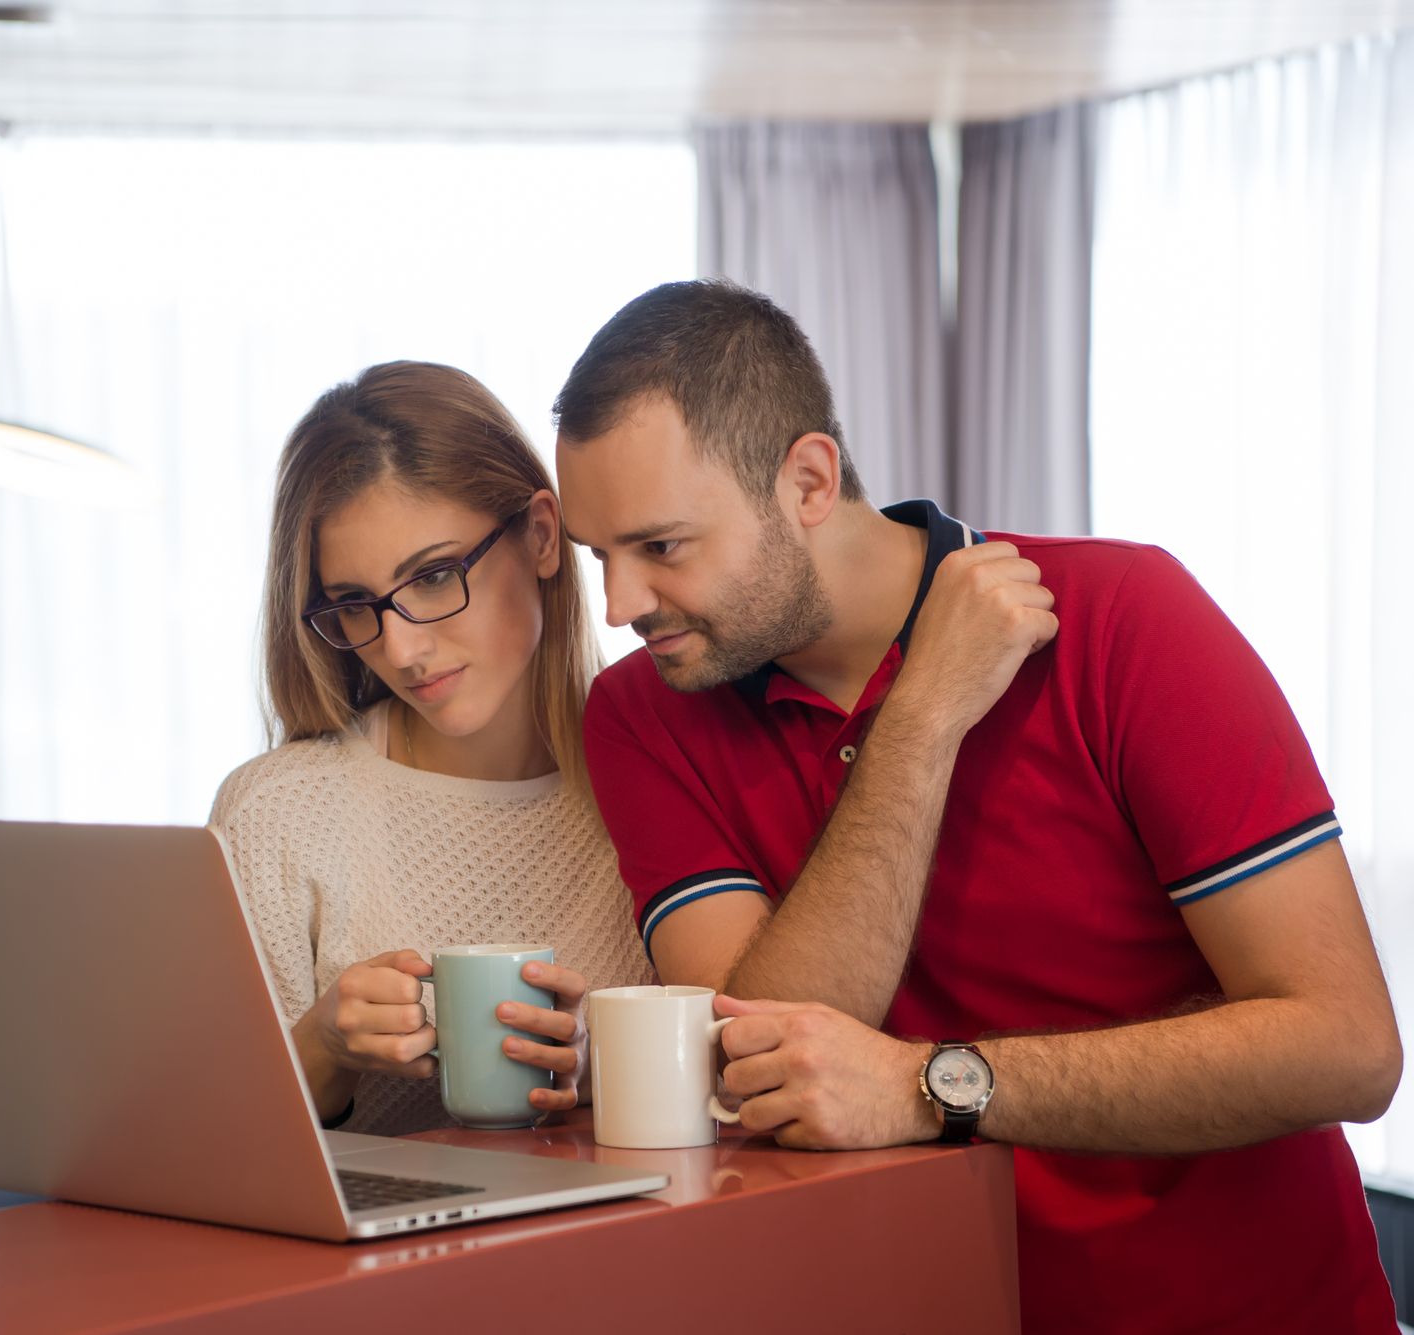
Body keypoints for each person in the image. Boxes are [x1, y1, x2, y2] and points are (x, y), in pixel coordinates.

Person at [552, 280, 1400, 1333]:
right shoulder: (641, 713)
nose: (618, 606)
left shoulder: (1125, 618)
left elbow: (1347, 1048)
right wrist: (921, 718)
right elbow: (755, 1046)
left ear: (807, 481)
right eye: (598, 556)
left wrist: (928, 1085)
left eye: (659, 548)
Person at [209, 360, 653, 1137]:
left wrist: (599, 1072)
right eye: (355, 604)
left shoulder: (665, 777)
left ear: (542, 536)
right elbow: (222, 1143)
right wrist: (324, 1044)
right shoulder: (276, 815)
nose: (404, 648)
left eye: (436, 574)